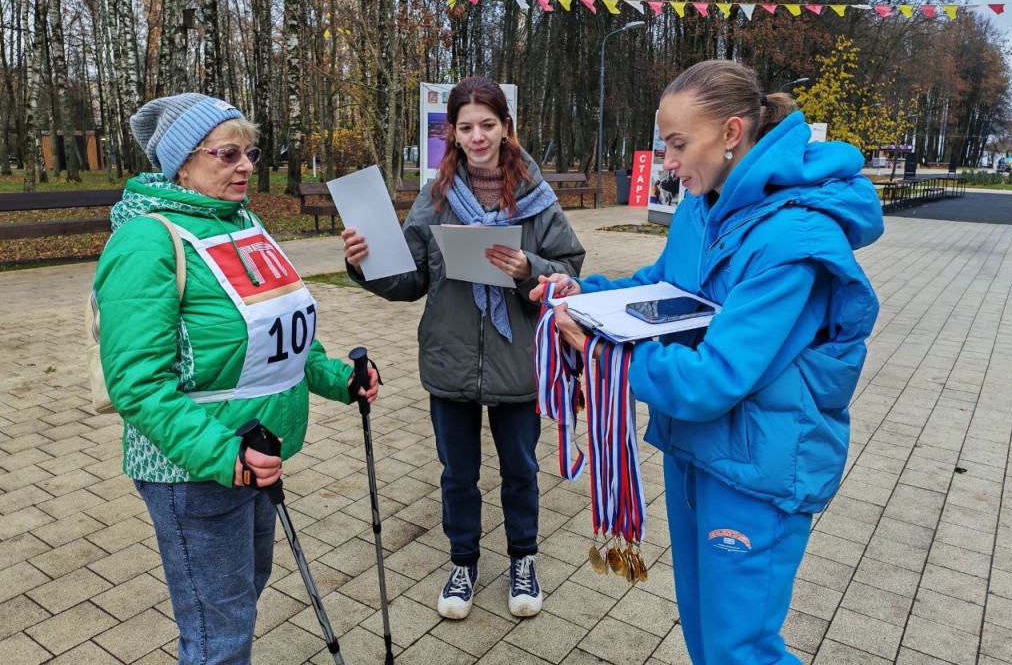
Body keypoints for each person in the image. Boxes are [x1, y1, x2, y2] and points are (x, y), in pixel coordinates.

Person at [532, 60, 883, 664]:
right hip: (696, 449)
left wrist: (602, 359)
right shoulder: (702, 206)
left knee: (739, 648)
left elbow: (714, 378)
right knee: (702, 629)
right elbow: (662, 289)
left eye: (676, 144)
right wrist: (584, 295)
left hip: (757, 464)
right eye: (663, 144)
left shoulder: (792, 242)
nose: (666, 162)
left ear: (731, 132)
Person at [93, 93, 379, 663]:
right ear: (183, 164)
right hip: (194, 469)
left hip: (255, 455)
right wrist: (224, 457)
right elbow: (138, 384)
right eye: (227, 154)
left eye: (250, 152)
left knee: (238, 602)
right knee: (217, 632)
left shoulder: (242, 222)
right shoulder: (147, 240)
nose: (246, 165)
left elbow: (281, 332)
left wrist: (338, 377)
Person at [343, 76, 585, 620]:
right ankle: (463, 563)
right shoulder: (435, 200)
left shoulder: (535, 198)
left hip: (519, 361)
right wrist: (363, 264)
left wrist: (530, 269)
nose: (477, 137)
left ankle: (523, 559)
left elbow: (569, 269)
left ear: (506, 129)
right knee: (457, 474)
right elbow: (407, 281)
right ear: (450, 132)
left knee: (520, 469)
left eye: (488, 125)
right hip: (450, 358)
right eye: (466, 127)